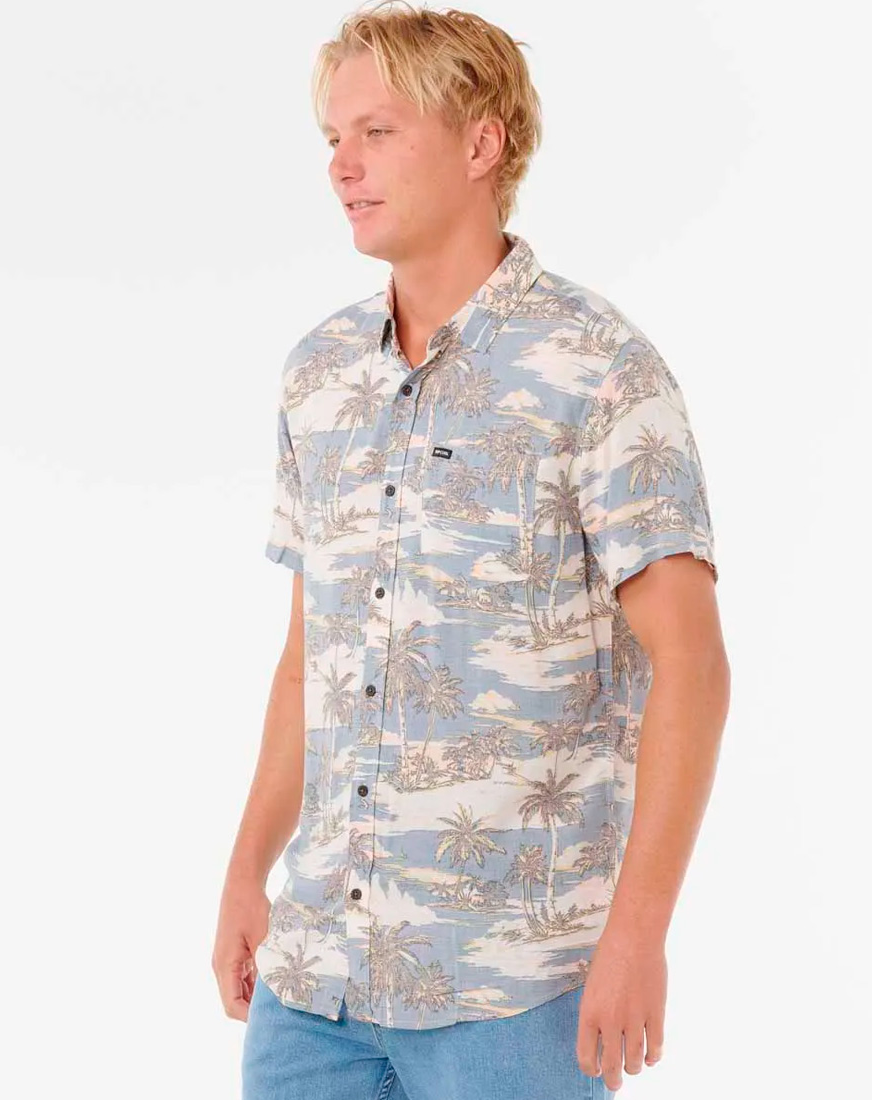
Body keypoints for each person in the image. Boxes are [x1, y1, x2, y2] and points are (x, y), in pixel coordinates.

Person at [211, 4, 730, 1098]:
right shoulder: (319, 375)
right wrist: (246, 870)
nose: (342, 165)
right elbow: (309, 662)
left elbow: (692, 663)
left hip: (514, 995)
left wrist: (638, 935)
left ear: (482, 143)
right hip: (316, 986)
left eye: (377, 132)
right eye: (334, 137)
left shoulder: (599, 369)